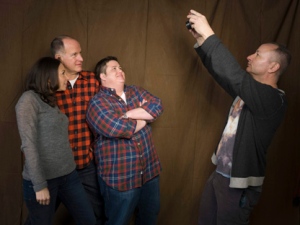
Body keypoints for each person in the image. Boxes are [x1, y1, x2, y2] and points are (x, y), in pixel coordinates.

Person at [186, 9, 291, 225]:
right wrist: (203, 41)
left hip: (238, 185)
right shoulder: (248, 92)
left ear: (273, 66)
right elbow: (223, 75)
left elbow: (235, 76)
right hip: (220, 176)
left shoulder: (273, 100)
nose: (249, 56)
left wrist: (210, 34)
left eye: (258, 54)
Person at [15, 57, 96, 225]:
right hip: (44, 180)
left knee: (88, 220)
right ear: (48, 77)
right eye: (62, 73)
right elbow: (28, 145)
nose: (66, 77)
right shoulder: (28, 100)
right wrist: (39, 185)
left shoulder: (51, 100)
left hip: (69, 176)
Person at [86, 56, 163, 225]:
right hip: (120, 178)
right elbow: (116, 128)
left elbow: (157, 106)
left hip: (149, 173)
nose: (120, 70)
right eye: (114, 68)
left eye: (120, 67)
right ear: (102, 77)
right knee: (118, 221)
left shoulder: (135, 91)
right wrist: (144, 116)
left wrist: (128, 115)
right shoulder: (97, 103)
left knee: (149, 218)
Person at [50, 35, 105, 224]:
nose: (81, 58)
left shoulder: (92, 81)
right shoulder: (48, 85)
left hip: (85, 164)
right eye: (74, 54)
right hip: (55, 169)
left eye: (80, 53)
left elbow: (116, 97)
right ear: (59, 59)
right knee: (39, 218)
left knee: (95, 214)